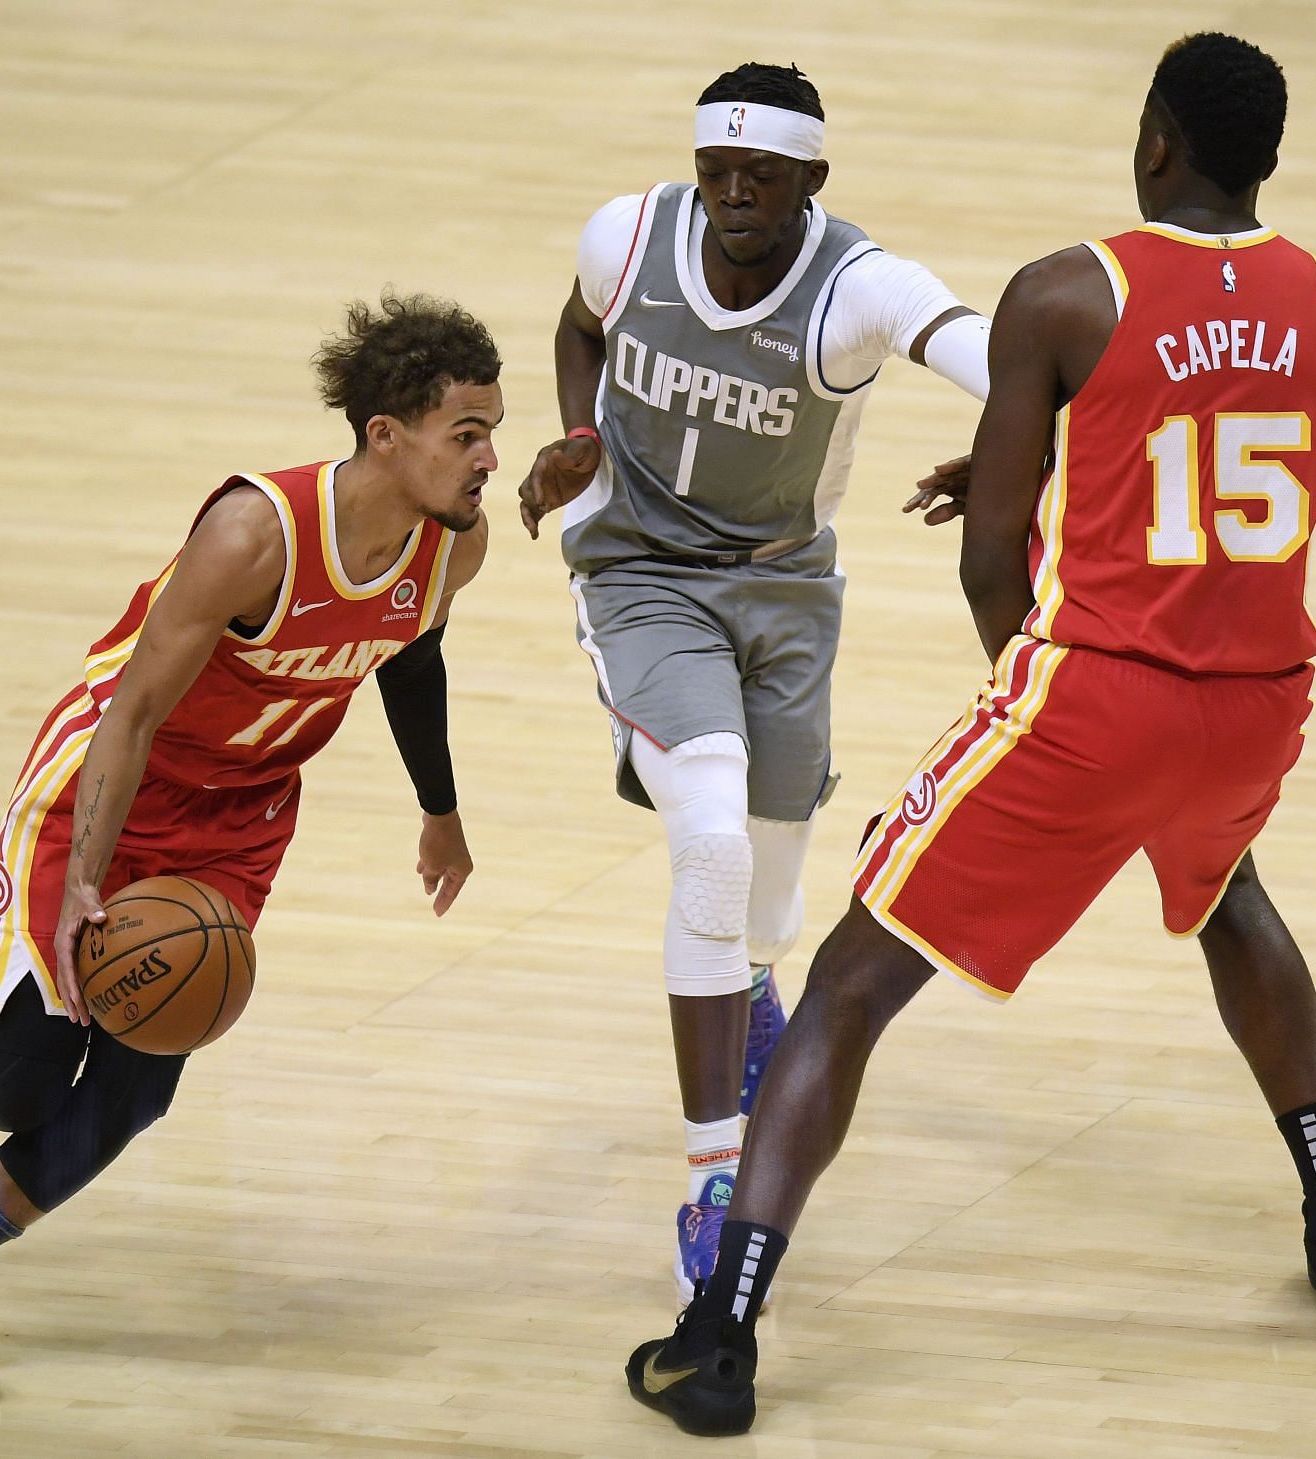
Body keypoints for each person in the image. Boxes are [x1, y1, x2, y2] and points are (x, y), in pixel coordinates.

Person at [626, 33, 1316, 1436]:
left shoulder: (1065, 291)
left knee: (858, 972)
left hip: (1092, 699)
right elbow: (1265, 492)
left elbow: (995, 563)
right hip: (1260, 696)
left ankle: (719, 1325)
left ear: (1157, 141)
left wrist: (1055, 734)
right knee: (1233, 899)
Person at [0, 293, 503, 1405]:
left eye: (493, 430)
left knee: (135, 1083)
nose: (490, 456)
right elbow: (131, 711)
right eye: (468, 433)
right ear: (384, 437)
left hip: (240, 818)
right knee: (20, 1085)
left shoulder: (454, 545)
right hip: (113, 785)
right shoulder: (252, 536)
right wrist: (76, 884)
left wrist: (439, 809)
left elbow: (409, 656)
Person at [516, 62, 989, 1305]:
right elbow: (578, 323)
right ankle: (713, 1181)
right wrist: (578, 435)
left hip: (785, 593)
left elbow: (990, 351)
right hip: (641, 575)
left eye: (760, 177)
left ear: (810, 181)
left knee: (769, 903)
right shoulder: (628, 236)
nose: (732, 194)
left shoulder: (857, 289)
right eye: (715, 170)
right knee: (714, 848)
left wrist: (1016, 445)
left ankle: (750, 988)